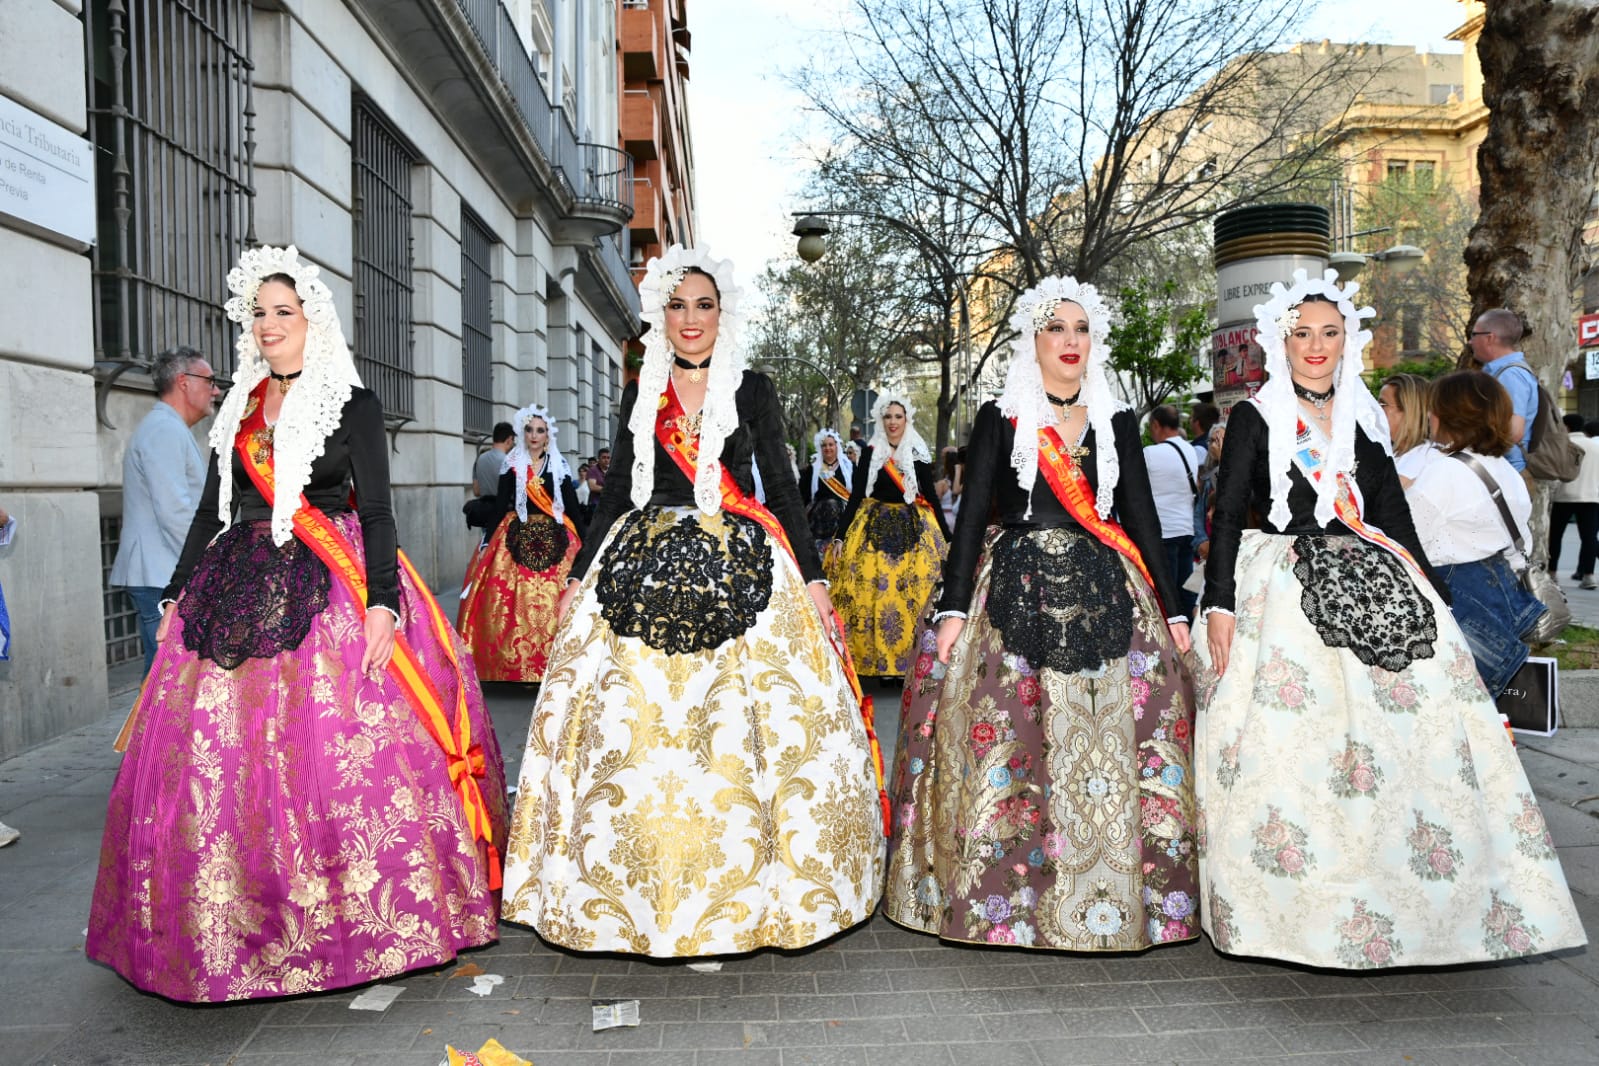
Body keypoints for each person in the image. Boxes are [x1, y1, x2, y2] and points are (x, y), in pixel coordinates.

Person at [87, 246, 506, 1002]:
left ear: (313, 322)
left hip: (332, 585)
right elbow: (213, 513)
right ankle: (236, 918)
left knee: (334, 753)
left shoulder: (353, 403)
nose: (271, 324)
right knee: (221, 764)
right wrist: (178, 595)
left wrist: (383, 603)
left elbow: (377, 512)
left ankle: (348, 919)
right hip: (235, 584)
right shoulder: (239, 408)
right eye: (260, 313)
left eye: (285, 312)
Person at [499, 247, 886, 957]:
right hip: (639, 557)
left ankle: (754, 885)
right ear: (660, 315)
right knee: (632, 725)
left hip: (742, 559)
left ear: (721, 312)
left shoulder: (754, 387)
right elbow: (617, 491)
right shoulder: (639, 389)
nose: (690, 319)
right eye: (676, 305)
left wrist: (816, 581)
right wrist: (580, 576)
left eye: (702, 305)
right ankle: (632, 882)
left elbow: (783, 485)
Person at [1195, 269, 1584, 968]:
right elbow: (1226, 517)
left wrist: (1434, 597)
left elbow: (1391, 514)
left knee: (1410, 743)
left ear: (1348, 342)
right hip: (1283, 590)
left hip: (1376, 585)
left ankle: (1418, 894)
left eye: (1329, 334)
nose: (1316, 346)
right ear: (1279, 344)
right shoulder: (1256, 416)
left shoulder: (1362, 418)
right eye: (1302, 334)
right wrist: (1217, 604)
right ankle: (1292, 905)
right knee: (1294, 751)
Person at [885, 276, 1197, 950]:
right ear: (1034, 339)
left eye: (1080, 329)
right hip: (1016, 584)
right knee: (1013, 730)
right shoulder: (1002, 416)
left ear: (1093, 341)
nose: (1069, 341)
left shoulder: (1116, 418)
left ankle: (1111, 890)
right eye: (1056, 328)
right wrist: (953, 607)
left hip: (1106, 585)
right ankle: (1011, 896)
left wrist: (1174, 613)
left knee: (1122, 732)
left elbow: (1139, 515)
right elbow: (970, 518)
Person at [1405, 372, 1547, 696]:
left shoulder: (1445, 471)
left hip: (1454, 600)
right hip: (1496, 596)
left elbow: (1406, 540)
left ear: (1448, 415)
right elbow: (1520, 541)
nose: (1429, 416)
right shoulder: (1504, 470)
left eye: (1433, 407)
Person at [109, 346, 221, 675]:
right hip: (161, 575)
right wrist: (209, 567)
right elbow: (176, 513)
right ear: (183, 382)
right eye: (210, 381)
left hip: (163, 571)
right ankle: (148, 730)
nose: (215, 390)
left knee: (167, 678)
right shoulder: (164, 430)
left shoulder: (169, 428)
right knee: (165, 680)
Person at [456, 404, 585, 683]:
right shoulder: (512, 463)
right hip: (516, 534)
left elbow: (572, 508)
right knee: (507, 599)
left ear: (548, 436)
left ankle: (557, 663)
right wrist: (487, 542)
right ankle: (513, 664)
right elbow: (501, 506)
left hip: (556, 535)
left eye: (541, 430)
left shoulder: (558, 464)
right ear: (522, 433)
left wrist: (587, 541)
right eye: (530, 430)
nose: (535, 435)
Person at [829, 392, 951, 679]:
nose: (893, 422)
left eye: (898, 416)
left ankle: (911, 662)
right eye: (888, 416)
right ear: (880, 420)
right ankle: (878, 662)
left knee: (915, 594)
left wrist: (948, 537)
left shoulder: (917, 451)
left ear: (907, 419)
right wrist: (840, 536)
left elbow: (931, 495)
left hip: (914, 526)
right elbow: (857, 496)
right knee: (873, 594)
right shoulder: (871, 452)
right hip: (874, 527)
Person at [1143, 403, 1201, 617]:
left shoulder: (1150, 453)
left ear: (1156, 425)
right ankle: (1188, 639)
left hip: (1163, 532)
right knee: (1186, 592)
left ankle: (1170, 641)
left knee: (1166, 594)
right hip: (1186, 530)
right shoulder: (1191, 450)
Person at [1469, 308, 1537, 475]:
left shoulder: (1510, 375)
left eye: (1473, 335)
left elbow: (1514, 432)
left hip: (1507, 473)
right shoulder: (1501, 372)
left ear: (1489, 338)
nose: (1470, 342)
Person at [1550, 414, 1599, 588]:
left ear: (1566, 427)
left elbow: (1555, 473)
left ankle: (1552, 573)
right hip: (1591, 497)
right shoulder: (1595, 446)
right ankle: (1589, 576)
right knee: (1589, 538)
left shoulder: (1562, 445)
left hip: (1564, 496)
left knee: (1555, 536)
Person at [1377, 372, 1437, 485]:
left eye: (1383, 404)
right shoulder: (1396, 452)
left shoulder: (1424, 456)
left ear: (1408, 412)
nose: (1375, 409)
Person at [798, 428, 853, 548]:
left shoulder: (849, 468)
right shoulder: (813, 469)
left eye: (830, 445)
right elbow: (804, 496)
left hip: (842, 513)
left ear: (837, 446)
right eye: (824, 445)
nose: (827, 448)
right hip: (819, 517)